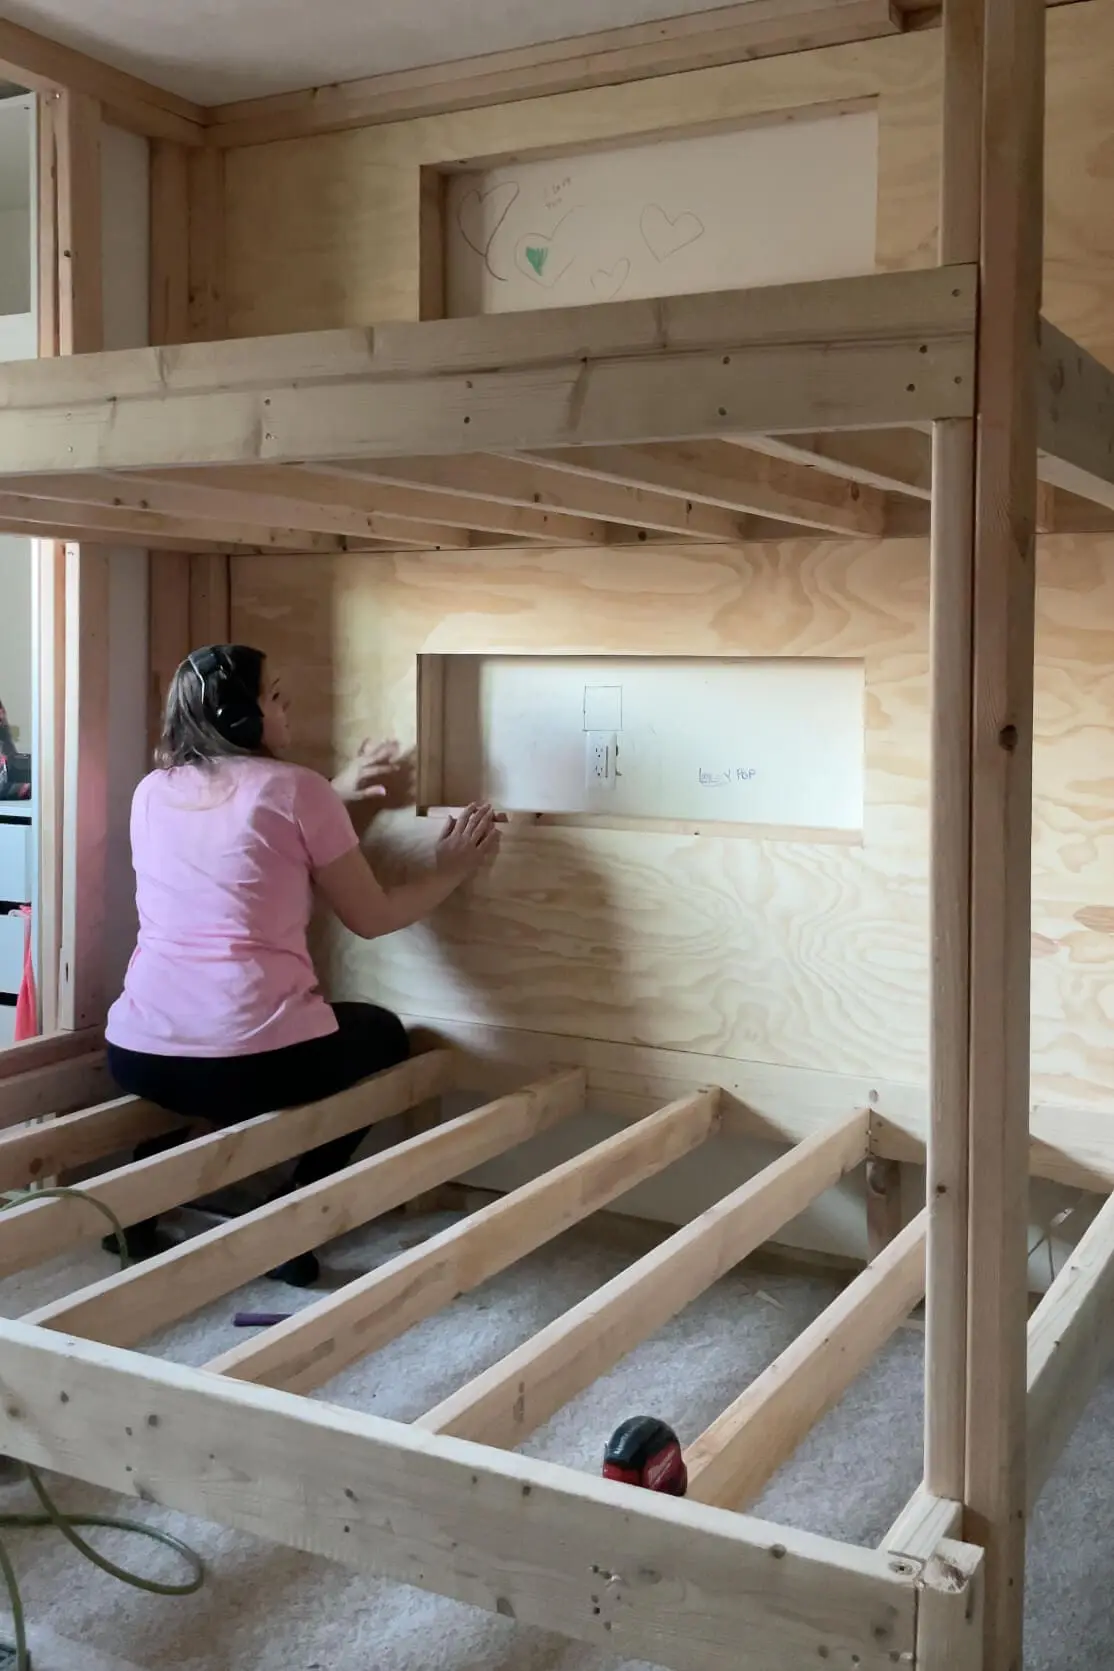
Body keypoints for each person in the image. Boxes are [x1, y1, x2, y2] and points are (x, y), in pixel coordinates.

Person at [105, 643, 500, 1285]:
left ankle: (144, 1200)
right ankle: (289, 1218)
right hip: (251, 1063)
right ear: (240, 716)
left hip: (139, 1053)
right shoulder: (297, 790)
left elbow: (243, 829)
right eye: (275, 697)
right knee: (382, 1035)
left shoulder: (153, 791)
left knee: (211, 1062)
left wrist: (334, 793)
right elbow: (372, 917)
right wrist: (451, 870)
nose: (287, 708)